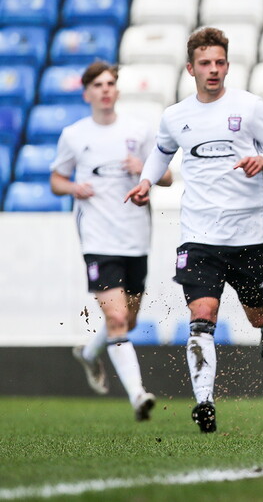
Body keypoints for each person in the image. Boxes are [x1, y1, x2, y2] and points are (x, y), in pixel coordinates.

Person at [125, 27, 263, 433]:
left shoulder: (250, 107)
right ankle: (204, 402)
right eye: (205, 63)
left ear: (227, 65)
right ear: (191, 68)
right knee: (202, 315)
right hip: (198, 236)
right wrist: (147, 182)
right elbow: (160, 153)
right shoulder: (175, 116)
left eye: (220, 62)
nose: (213, 69)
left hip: (248, 235)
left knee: (255, 314)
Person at [50, 60, 173, 421]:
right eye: (98, 85)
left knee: (128, 321)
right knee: (117, 318)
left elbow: (165, 175)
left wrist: (146, 171)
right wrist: (74, 187)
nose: (105, 90)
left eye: (110, 84)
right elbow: (56, 178)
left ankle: (89, 353)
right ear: (87, 92)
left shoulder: (138, 130)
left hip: (135, 238)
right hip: (98, 239)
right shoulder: (74, 134)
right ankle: (138, 395)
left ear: (116, 90)